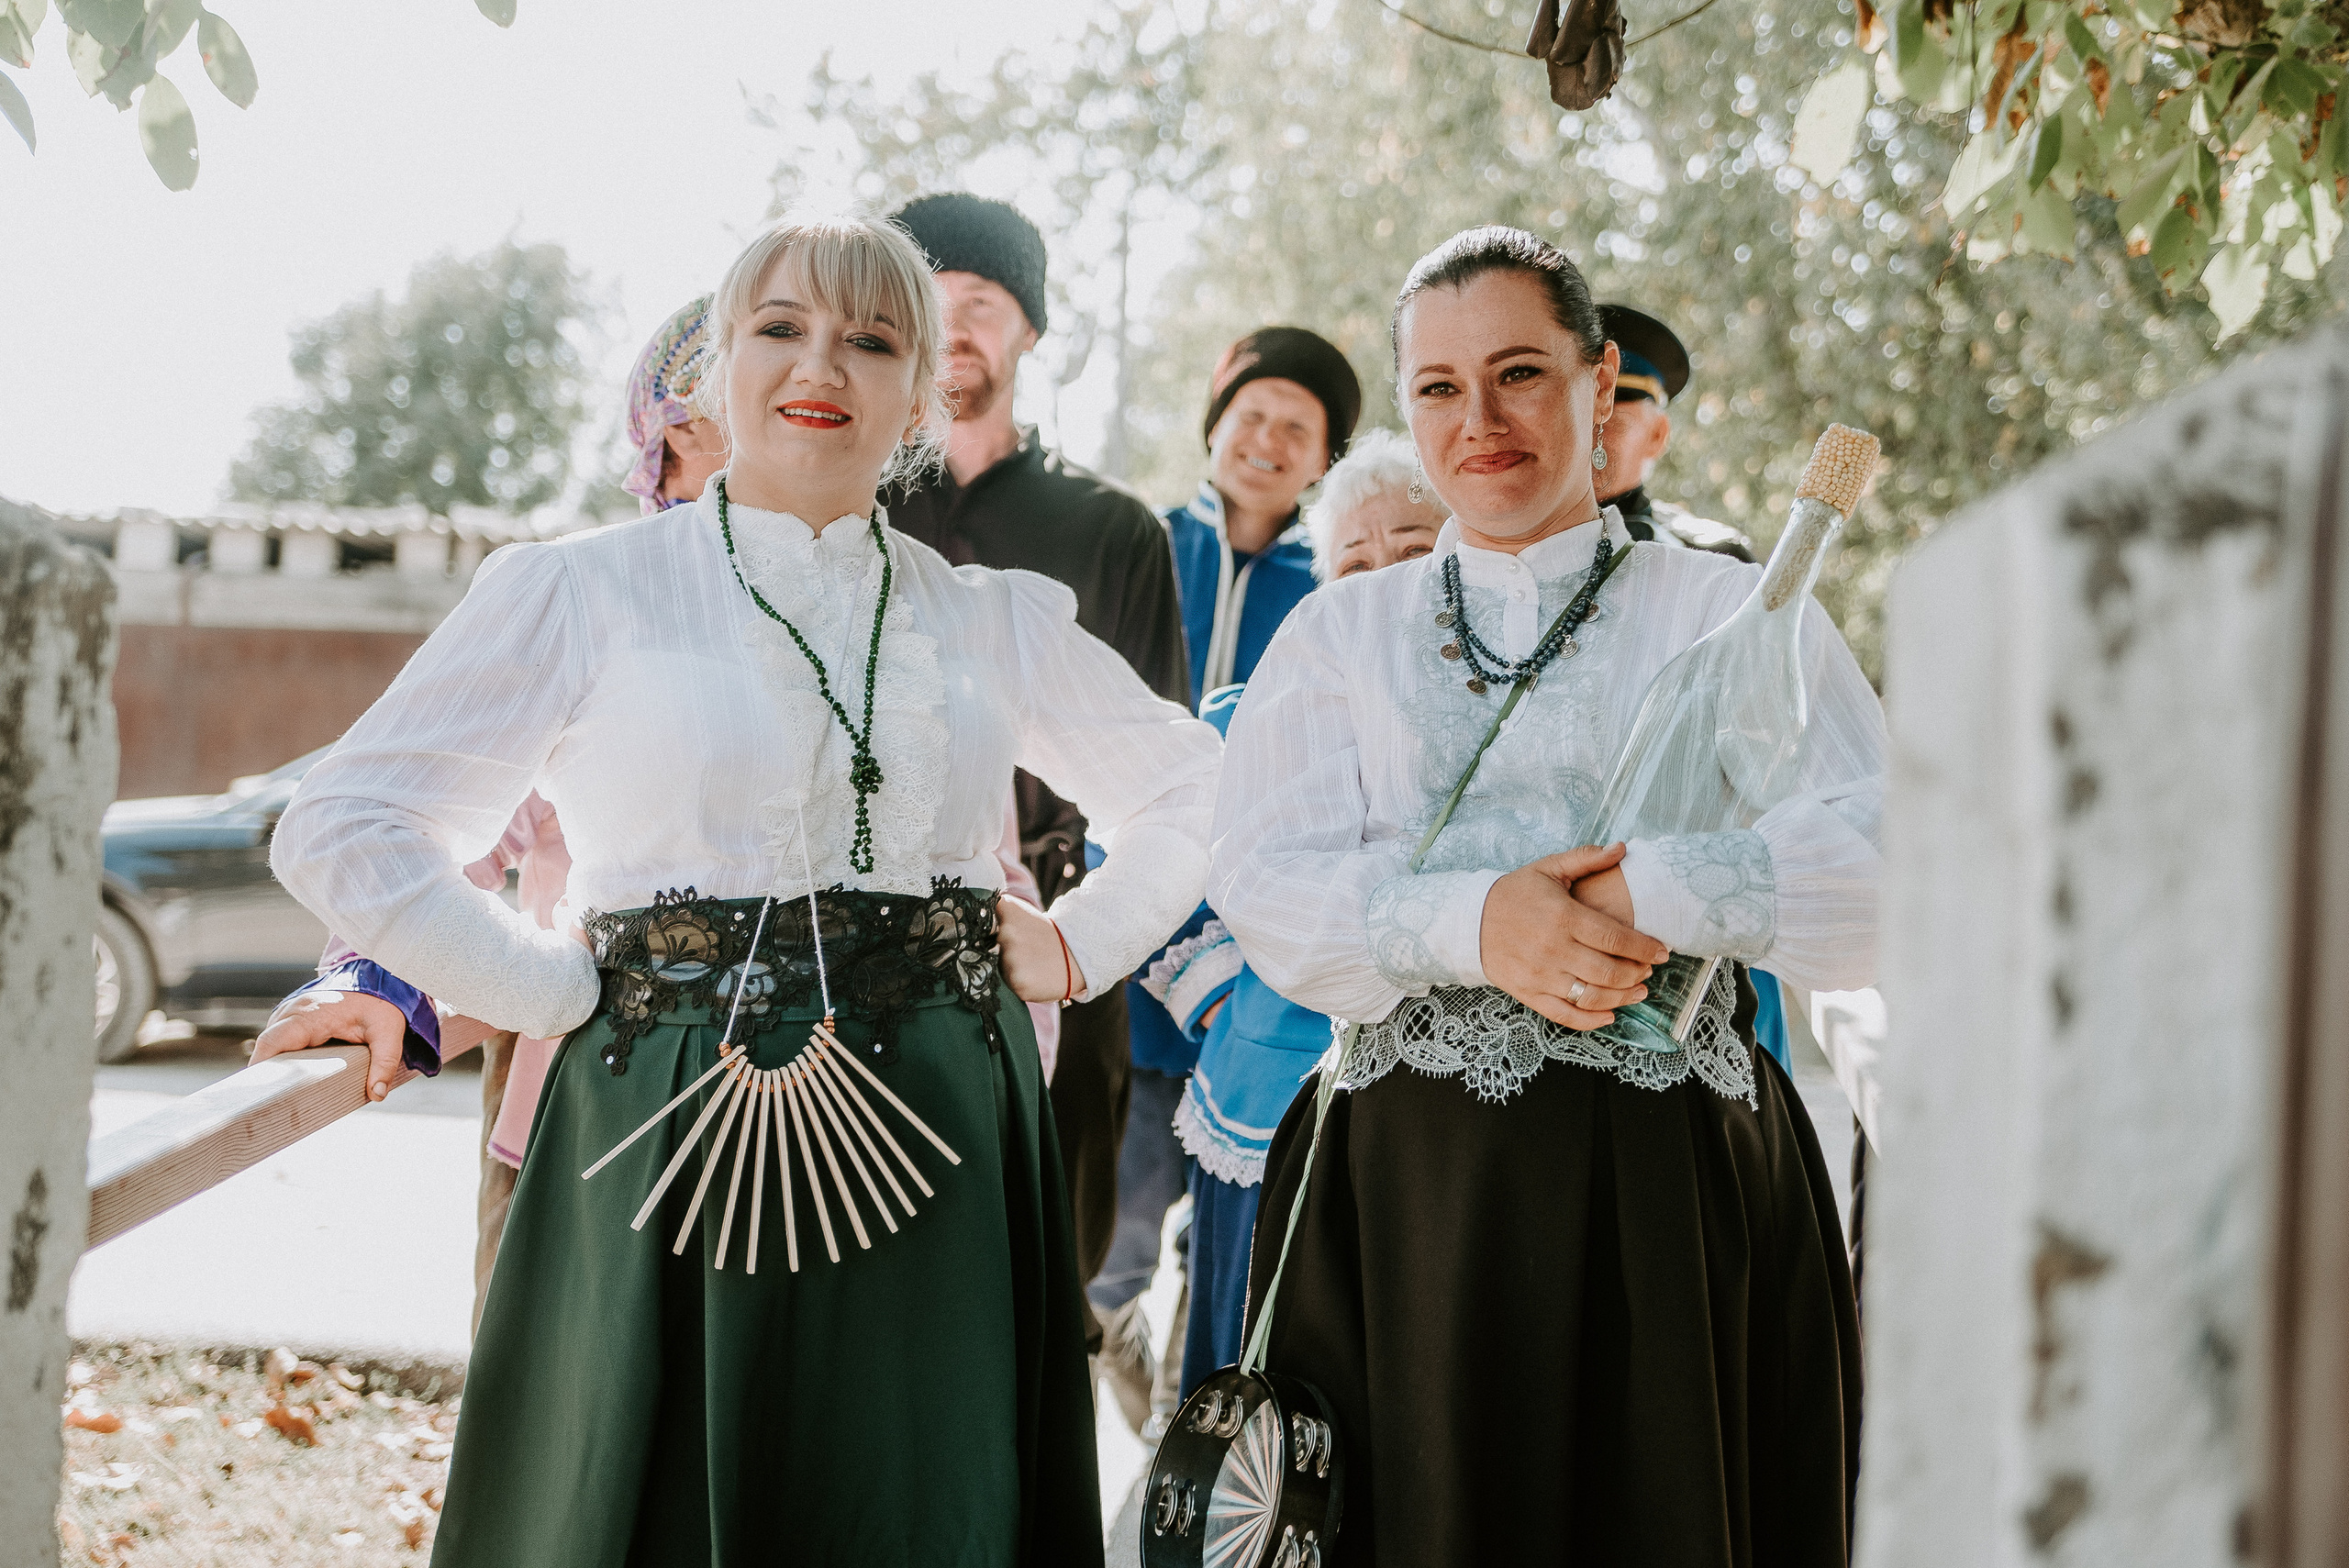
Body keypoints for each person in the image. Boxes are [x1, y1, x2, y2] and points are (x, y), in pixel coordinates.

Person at [261, 210, 1220, 1565]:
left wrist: (1080, 944)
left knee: (917, 1504)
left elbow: (1195, 789)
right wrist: (539, 980)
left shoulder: (986, 614)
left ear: (916, 394)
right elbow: (346, 822)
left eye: (871, 338)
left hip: (946, 1131)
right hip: (658, 1126)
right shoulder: (584, 593)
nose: (820, 363)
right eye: (780, 328)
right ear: (719, 363)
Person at [1216, 226, 1881, 1563]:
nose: (1482, 421)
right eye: (1441, 388)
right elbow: (1266, 881)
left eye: (1520, 372)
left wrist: (1654, 886)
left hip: (1678, 1203)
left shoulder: (1731, 609)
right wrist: (1475, 923)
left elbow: (1889, 865)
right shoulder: (1338, 633)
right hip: (1411, 1208)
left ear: (1599, 376)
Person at [880, 192, 1193, 1359]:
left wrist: (1081, 941)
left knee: (1038, 1291)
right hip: (864, 950)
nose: (954, 327)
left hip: (1058, 950)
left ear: (1029, 335)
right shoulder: (845, 505)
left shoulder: (1113, 531)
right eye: (931, 302)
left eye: (984, 305)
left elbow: (1164, 774)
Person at [1093, 326, 1364, 1428]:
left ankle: (1187, 1420)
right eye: (1251, 417)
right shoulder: (1142, 545)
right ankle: (1112, 1325)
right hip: (1131, 951)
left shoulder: (1331, 577)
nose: (1267, 442)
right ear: (1215, 428)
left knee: (1231, 1238)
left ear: (1322, 460)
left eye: (1296, 429)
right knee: (1113, 1221)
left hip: (1258, 980)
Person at [1138, 427, 1442, 1397]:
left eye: (1416, 548)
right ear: (1320, 580)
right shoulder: (1257, 702)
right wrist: (1223, 991)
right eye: (1356, 556)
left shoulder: (1504, 705)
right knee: (1258, 1382)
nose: (1385, 573)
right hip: (1268, 1094)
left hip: (1435, 1113)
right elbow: (1146, 840)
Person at [1592, 301, 1755, 560]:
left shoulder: (1714, 560)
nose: (1590, 436)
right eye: (1577, 420)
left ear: (1657, 435)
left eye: (1611, 422)